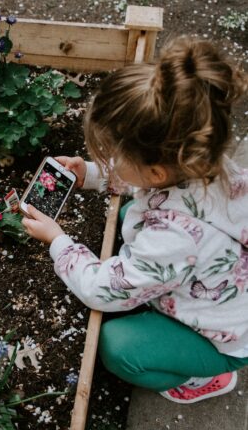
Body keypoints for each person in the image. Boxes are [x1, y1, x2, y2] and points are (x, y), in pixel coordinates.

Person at [22, 36, 248, 404]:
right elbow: (146, 183)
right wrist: (92, 174)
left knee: (117, 346)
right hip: (218, 281)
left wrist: (59, 241)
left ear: (157, 171)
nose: (108, 157)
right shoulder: (205, 161)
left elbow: (101, 290)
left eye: (113, 154)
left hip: (222, 336)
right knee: (130, 214)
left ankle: (203, 377)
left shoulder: (171, 239)